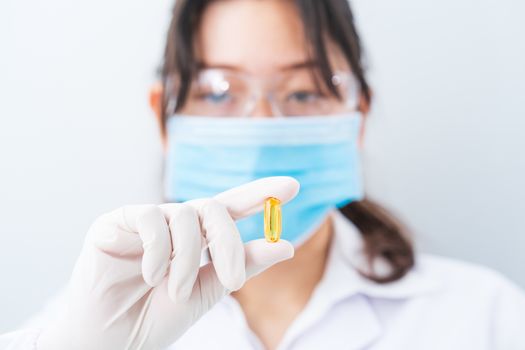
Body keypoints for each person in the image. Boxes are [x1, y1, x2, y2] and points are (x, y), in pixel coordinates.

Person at [1, 0, 525, 349]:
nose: (263, 126)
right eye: (219, 92)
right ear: (164, 116)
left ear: (356, 116)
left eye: (303, 91)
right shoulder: (87, 324)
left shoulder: (485, 316)